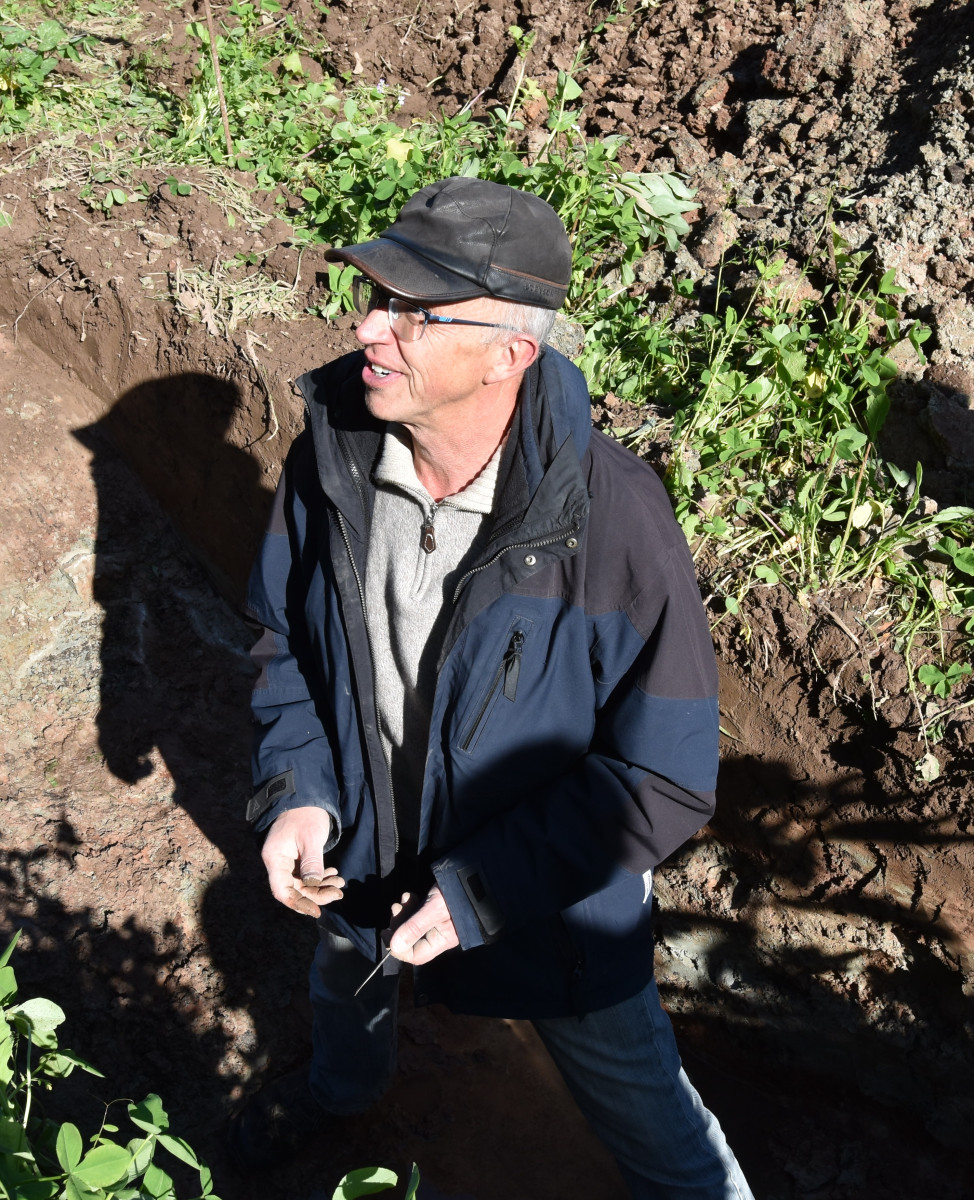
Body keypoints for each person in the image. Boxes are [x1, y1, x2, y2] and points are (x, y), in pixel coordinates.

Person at [231, 176, 754, 1200]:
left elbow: (663, 775)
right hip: (363, 856)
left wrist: (483, 889)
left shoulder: (613, 522)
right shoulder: (331, 456)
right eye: (373, 295)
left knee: (656, 1130)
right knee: (346, 986)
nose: (367, 327)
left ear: (509, 353)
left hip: (548, 903)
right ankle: (341, 1097)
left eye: (414, 314)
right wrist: (296, 784)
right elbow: (281, 634)